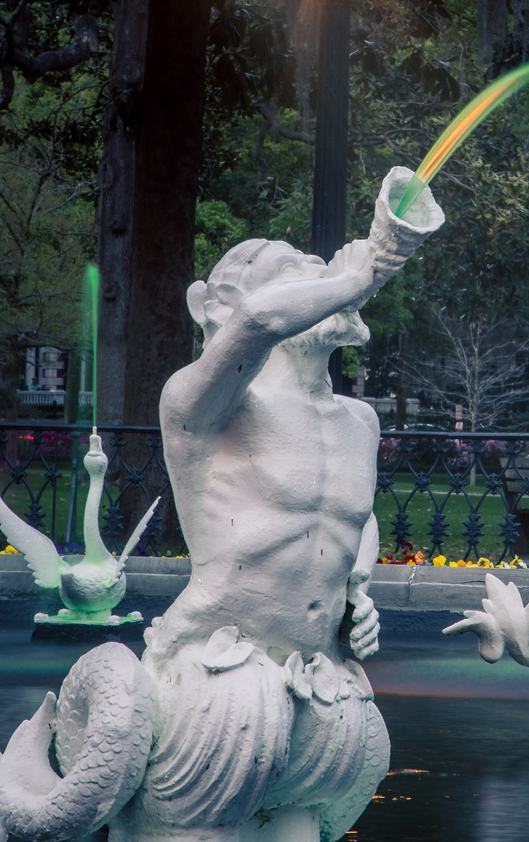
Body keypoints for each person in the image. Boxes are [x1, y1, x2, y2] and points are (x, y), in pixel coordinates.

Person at [124, 167, 443, 841]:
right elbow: (261, 321)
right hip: (216, 687)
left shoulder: (360, 421)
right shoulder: (205, 406)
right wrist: (364, 272)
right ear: (224, 307)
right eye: (299, 276)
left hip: (321, 686)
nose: (322, 279)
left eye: (321, 274)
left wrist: (357, 595)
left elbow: (353, 519)